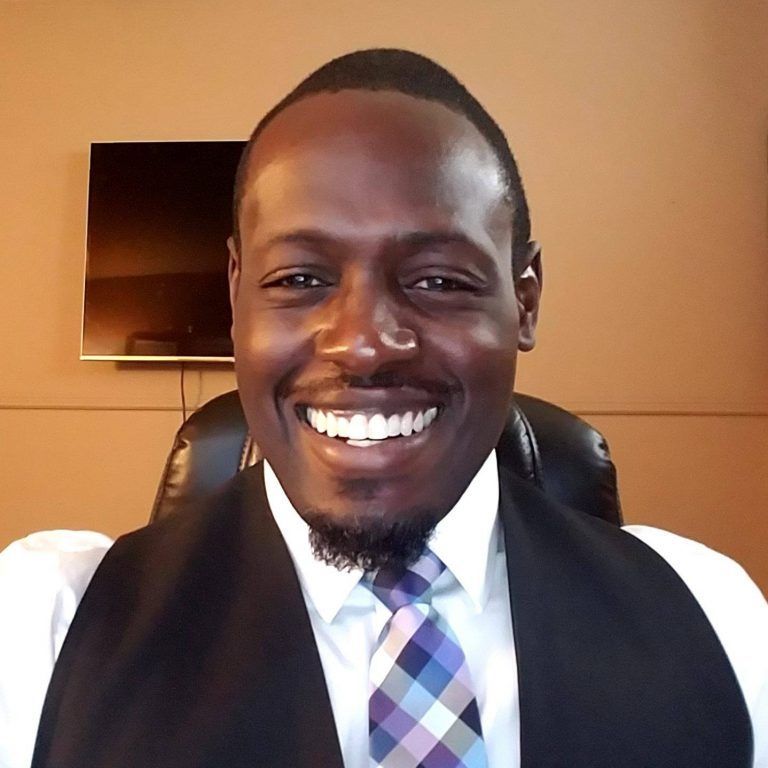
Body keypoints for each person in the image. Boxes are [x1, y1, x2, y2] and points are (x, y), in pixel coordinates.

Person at [1, 49, 766, 768]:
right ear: (236, 295)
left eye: (438, 281)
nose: (364, 345)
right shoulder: (49, 629)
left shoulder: (711, 616)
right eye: (299, 279)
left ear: (525, 301)